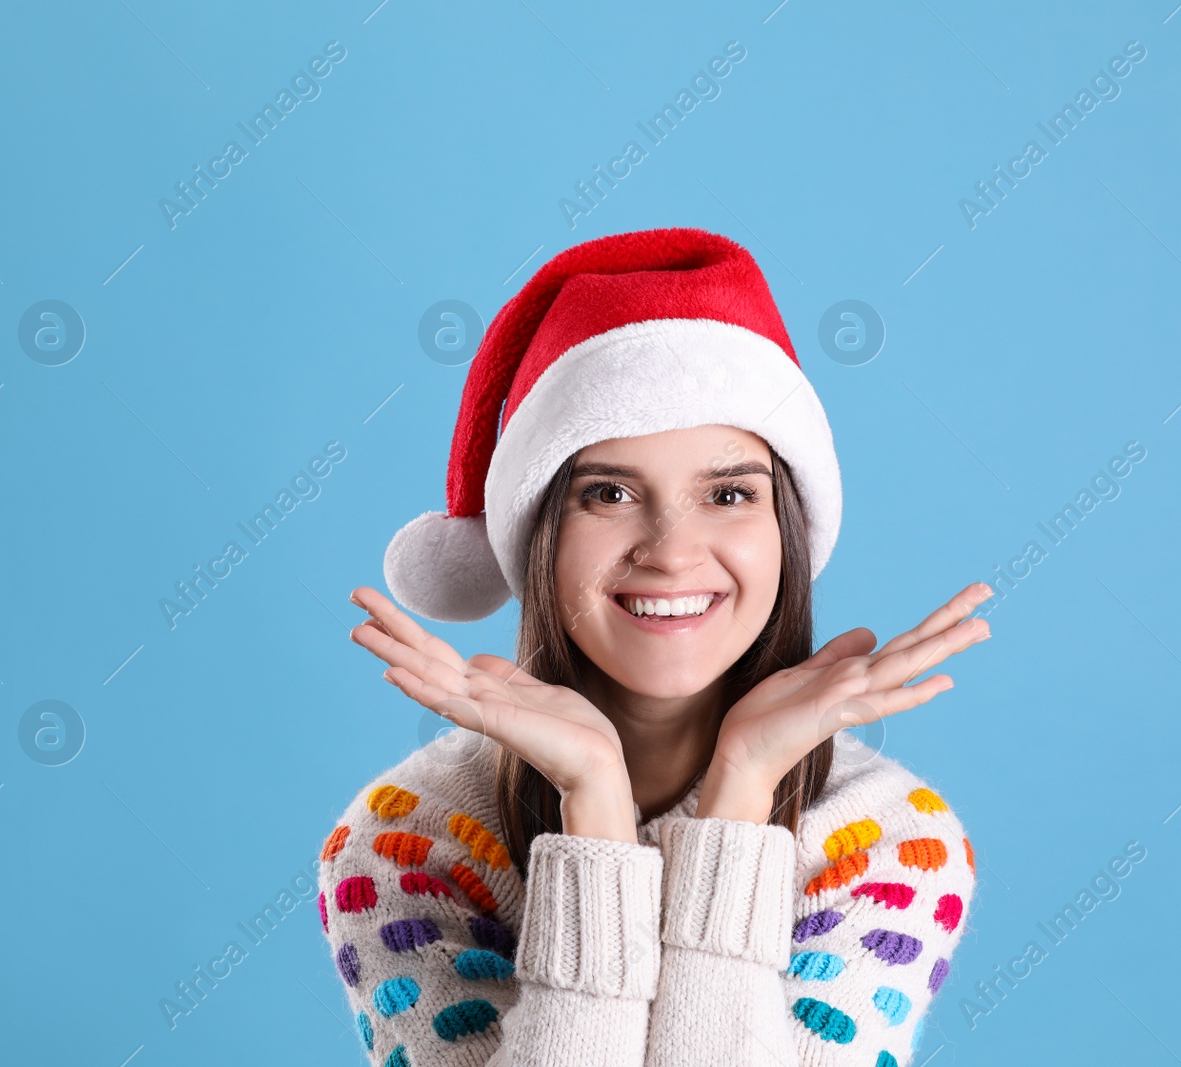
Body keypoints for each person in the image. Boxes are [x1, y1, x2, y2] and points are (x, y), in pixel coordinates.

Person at [315, 227, 990, 1066]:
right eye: (608, 492)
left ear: (786, 531)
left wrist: (740, 794)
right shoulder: (407, 840)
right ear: (537, 538)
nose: (671, 551)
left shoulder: (890, 838)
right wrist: (593, 816)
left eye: (729, 492)